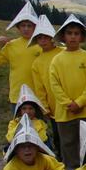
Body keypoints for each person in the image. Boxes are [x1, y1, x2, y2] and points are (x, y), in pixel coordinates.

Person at [49, 14, 86, 170]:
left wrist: (80, 102)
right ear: (63, 36)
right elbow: (54, 85)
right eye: (69, 33)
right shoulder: (57, 60)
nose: (73, 37)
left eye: (76, 33)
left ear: (81, 36)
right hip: (65, 112)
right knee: (68, 144)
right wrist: (68, 103)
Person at [0, 1, 41, 113]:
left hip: (38, 94)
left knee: (39, 123)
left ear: (35, 27)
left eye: (29, 26)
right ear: (18, 27)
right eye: (23, 26)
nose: (26, 29)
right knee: (18, 123)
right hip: (17, 94)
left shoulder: (41, 45)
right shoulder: (11, 45)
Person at [29, 14, 65, 157]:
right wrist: (44, 106)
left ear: (52, 38)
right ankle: (61, 160)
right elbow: (39, 88)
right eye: (40, 38)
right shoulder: (37, 63)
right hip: (53, 105)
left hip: (71, 101)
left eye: (46, 37)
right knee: (58, 134)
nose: (43, 40)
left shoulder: (63, 52)